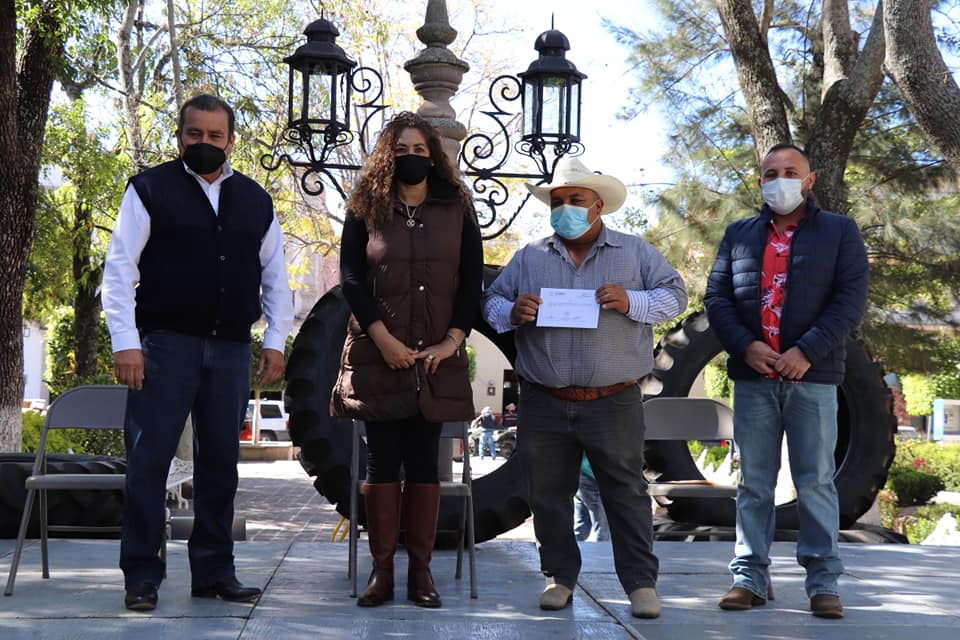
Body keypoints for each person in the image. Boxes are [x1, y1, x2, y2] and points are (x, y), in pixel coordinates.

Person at [101, 94, 294, 612]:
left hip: (231, 350)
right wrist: (126, 343)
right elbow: (119, 270)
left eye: (214, 136)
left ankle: (213, 571)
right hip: (163, 347)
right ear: (180, 135)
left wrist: (275, 340)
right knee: (149, 462)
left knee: (221, 466)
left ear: (231, 140)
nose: (204, 143)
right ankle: (141, 575)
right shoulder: (148, 190)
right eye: (194, 134)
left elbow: (276, 277)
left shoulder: (255, 200)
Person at [481, 157, 687, 619]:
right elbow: (491, 302)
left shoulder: (634, 253)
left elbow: (676, 295)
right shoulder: (531, 256)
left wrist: (631, 300)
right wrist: (512, 312)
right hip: (544, 399)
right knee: (548, 494)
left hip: (614, 399)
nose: (565, 208)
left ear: (598, 206)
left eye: (575, 200)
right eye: (558, 201)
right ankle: (559, 576)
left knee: (626, 493)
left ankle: (639, 584)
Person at [704, 144, 868, 619]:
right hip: (754, 377)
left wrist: (805, 352)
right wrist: (746, 347)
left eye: (790, 172)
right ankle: (749, 577)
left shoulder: (840, 232)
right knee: (754, 483)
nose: (781, 180)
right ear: (760, 182)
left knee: (815, 481)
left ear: (809, 180)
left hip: (812, 379)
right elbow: (717, 297)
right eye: (771, 173)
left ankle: (822, 583)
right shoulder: (739, 234)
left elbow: (849, 301)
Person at [330, 112, 483, 609]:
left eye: (420, 148)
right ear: (385, 156)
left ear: (433, 154)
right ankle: (382, 572)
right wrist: (383, 338)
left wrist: (453, 340)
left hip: (437, 361)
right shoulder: (365, 208)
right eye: (401, 149)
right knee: (381, 462)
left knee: (423, 464)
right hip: (380, 358)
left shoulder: (457, 207)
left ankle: (421, 572)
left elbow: (471, 280)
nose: (411, 157)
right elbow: (351, 278)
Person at [573, 455, 609, 542]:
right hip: (591, 477)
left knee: (582, 526)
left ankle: (569, 551)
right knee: (602, 528)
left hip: (579, 473)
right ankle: (601, 553)